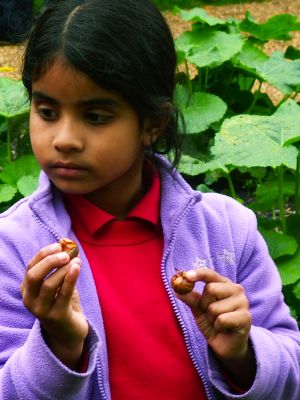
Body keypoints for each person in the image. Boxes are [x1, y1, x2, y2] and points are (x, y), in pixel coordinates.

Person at [0, 0, 299, 399]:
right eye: (48, 111)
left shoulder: (227, 230)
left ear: (153, 124)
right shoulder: (13, 249)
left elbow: (290, 370)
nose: (64, 139)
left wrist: (244, 354)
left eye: (96, 116)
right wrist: (58, 344)